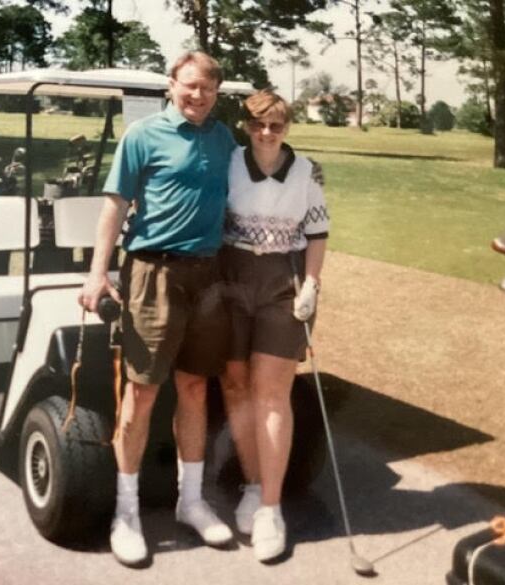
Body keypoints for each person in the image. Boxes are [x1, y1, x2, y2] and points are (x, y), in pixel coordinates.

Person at [78, 52, 238, 567]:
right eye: (189, 87)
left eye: (207, 90)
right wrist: (98, 273)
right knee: (142, 392)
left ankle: (190, 501)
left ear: (217, 93)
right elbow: (114, 206)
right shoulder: (143, 136)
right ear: (171, 85)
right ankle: (126, 514)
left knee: (194, 388)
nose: (198, 97)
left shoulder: (224, 138)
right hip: (153, 273)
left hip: (207, 276)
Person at [219, 90, 329, 562]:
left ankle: (270, 508)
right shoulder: (227, 162)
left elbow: (319, 233)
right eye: (259, 125)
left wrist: (313, 285)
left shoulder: (305, 171)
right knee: (236, 385)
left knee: (271, 392)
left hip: (283, 281)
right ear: (246, 125)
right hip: (231, 277)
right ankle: (251, 482)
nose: (267, 133)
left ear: (287, 127)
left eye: (277, 126)